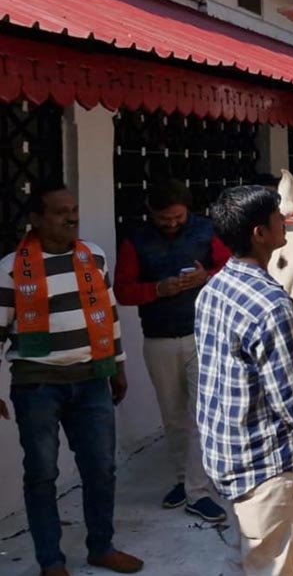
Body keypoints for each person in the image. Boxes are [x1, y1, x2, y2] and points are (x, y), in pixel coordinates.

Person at [195, 186, 293, 576]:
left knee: (248, 558)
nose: (285, 221)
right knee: (272, 567)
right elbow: (291, 401)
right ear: (259, 234)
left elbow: (235, 355)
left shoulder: (213, 289)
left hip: (225, 453)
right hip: (267, 464)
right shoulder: (271, 303)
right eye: (278, 217)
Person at [0, 183, 143, 576]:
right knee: (43, 473)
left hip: (92, 379)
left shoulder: (92, 256)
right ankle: (51, 560)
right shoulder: (12, 267)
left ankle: (102, 546)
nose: (71, 217)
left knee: (101, 468)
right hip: (37, 386)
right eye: (60, 211)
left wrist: (118, 365)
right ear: (36, 219)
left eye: (74, 209)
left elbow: (109, 316)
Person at [113, 179, 229, 524]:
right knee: (174, 417)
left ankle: (197, 491)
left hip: (201, 335)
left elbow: (231, 269)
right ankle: (183, 480)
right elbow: (123, 291)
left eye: (178, 217)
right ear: (151, 212)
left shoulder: (206, 230)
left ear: (187, 210)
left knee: (201, 416)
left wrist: (205, 277)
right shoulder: (136, 240)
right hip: (159, 339)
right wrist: (158, 289)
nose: (172, 223)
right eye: (165, 219)